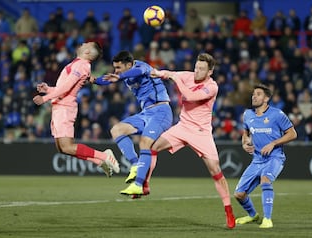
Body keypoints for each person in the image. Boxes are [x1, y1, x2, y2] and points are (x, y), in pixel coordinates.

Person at [124, 53, 236, 229]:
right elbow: (165, 73)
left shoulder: (212, 87)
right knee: (151, 147)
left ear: (210, 72)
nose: (197, 71)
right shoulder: (187, 75)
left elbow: (190, 96)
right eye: (196, 67)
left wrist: (175, 78)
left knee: (215, 170)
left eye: (201, 69)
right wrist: (152, 72)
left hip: (201, 133)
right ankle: (145, 184)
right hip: (183, 127)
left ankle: (228, 210)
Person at [33, 42, 119, 177]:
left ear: (88, 52)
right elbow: (65, 88)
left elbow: (67, 87)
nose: (83, 43)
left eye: (87, 44)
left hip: (65, 108)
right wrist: (48, 89)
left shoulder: (82, 65)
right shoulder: (77, 63)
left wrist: (45, 98)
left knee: (67, 146)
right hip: (59, 106)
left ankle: (104, 156)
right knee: (62, 149)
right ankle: (100, 161)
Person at [92, 50, 173, 190]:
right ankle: (135, 164)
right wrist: (93, 80)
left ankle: (138, 185)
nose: (116, 71)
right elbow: (106, 80)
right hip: (146, 113)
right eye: (115, 68)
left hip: (161, 111)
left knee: (144, 142)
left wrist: (120, 77)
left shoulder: (142, 66)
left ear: (129, 64)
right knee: (117, 130)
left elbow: (139, 71)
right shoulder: (123, 75)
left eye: (119, 68)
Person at [234, 84, 297, 228]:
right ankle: (253, 216)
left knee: (265, 180)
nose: (254, 96)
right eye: (253, 94)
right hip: (257, 160)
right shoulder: (248, 115)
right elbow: (246, 133)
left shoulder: (277, 114)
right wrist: (244, 144)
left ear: (266, 98)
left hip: (274, 157)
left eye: (258, 94)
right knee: (239, 194)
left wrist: (273, 143)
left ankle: (267, 219)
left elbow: (293, 134)